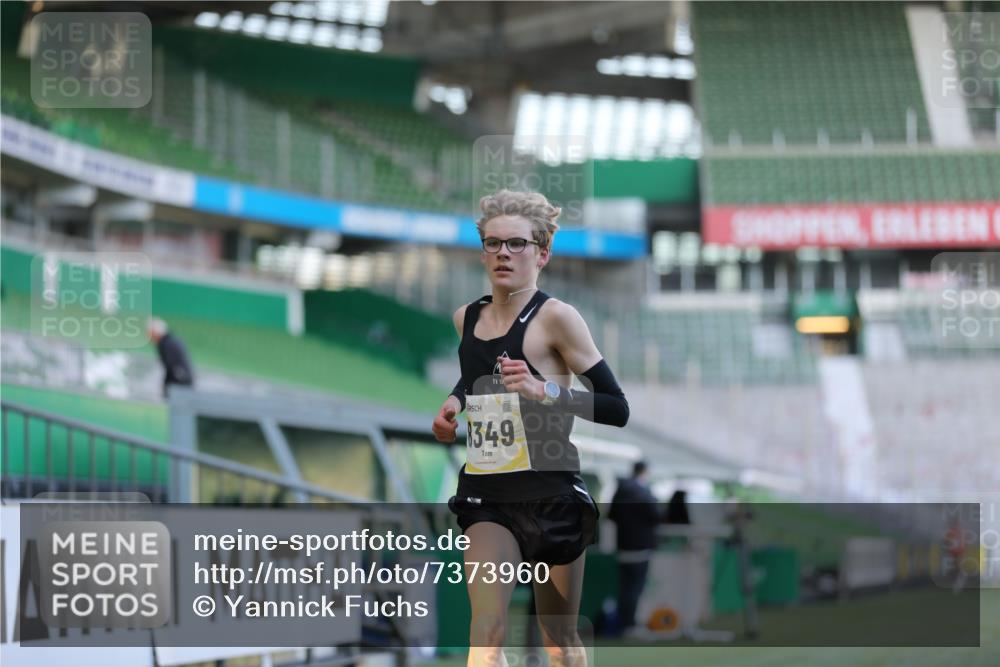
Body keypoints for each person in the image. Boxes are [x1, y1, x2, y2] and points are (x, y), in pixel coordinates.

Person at [431, 190, 629, 667]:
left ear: (542, 253)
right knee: (486, 632)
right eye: (493, 243)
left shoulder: (557, 318)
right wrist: (454, 404)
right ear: (482, 251)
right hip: (487, 496)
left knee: (558, 640)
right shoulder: (467, 318)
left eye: (517, 243)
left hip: (551, 495)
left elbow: (617, 408)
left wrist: (546, 392)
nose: (503, 253)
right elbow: (473, 374)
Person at [607, 460, 661, 636]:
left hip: (623, 545)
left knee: (625, 588)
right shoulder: (644, 492)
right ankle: (629, 625)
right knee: (635, 588)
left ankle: (625, 624)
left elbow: (611, 516)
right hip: (640, 547)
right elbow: (656, 515)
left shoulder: (620, 492)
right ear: (644, 472)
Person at [147, 317, 194, 398]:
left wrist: (166, 388)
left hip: (180, 382)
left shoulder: (167, 344)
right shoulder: (170, 340)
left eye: (150, 333)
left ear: (154, 333)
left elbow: (171, 367)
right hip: (183, 380)